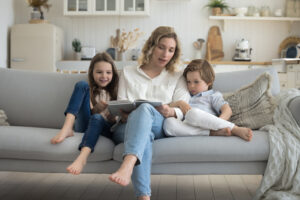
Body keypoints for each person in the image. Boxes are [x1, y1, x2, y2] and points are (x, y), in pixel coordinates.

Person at [109, 26, 190, 200]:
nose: (165, 54)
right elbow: (120, 105)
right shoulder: (128, 73)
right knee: (143, 134)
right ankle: (143, 197)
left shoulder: (178, 76)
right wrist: (122, 114)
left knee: (145, 109)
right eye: (161, 47)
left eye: (171, 50)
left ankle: (128, 163)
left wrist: (170, 110)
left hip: (160, 125)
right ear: (151, 46)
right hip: (126, 127)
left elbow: (183, 110)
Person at [50, 52, 119, 175]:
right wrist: (96, 109)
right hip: (85, 126)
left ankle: (82, 158)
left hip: (105, 128)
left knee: (98, 118)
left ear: (113, 74)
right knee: (82, 85)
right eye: (99, 72)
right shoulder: (89, 90)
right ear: (92, 72)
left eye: (108, 72)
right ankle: (67, 127)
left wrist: (113, 118)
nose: (104, 76)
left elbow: (117, 121)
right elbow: (89, 114)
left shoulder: (116, 91)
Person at [164, 59, 253, 141]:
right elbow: (168, 106)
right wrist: (180, 103)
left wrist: (219, 123)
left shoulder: (213, 95)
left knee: (192, 113)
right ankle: (212, 133)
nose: (191, 86)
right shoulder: (186, 95)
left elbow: (227, 110)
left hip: (206, 123)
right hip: (190, 126)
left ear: (209, 82)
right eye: (188, 82)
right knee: (168, 123)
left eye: (196, 82)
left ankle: (234, 129)